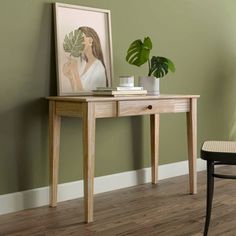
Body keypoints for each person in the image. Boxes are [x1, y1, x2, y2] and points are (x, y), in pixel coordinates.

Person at [62, 26, 108, 92]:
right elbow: (76, 91)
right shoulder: (84, 64)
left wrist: (75, 71)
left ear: (90, 40)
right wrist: (70, 76)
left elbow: (86, 94)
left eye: (81, 38)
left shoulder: (99, 67)